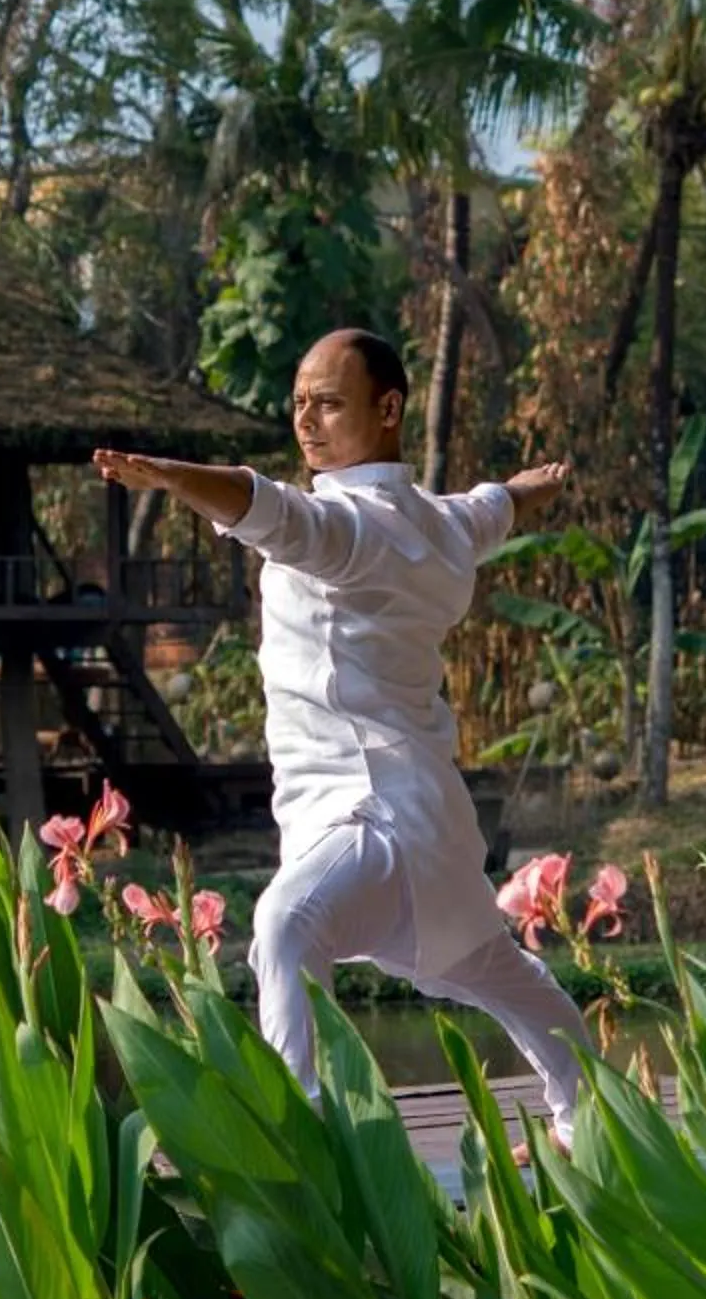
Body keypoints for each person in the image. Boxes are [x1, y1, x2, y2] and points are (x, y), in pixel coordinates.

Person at [94, 327, 590, 1151]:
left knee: (286, 925)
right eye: (298, 403)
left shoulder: (346, 530)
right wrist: (536, 486)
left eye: (328, 402)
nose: (307, 421)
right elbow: (494, 508)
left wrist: (167, 476)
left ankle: (307, 1134)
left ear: (388, 408)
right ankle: (591, 1115)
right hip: (424, 820)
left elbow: (269, 507)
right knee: (502, 976)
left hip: (368, 815)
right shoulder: (437, 524)